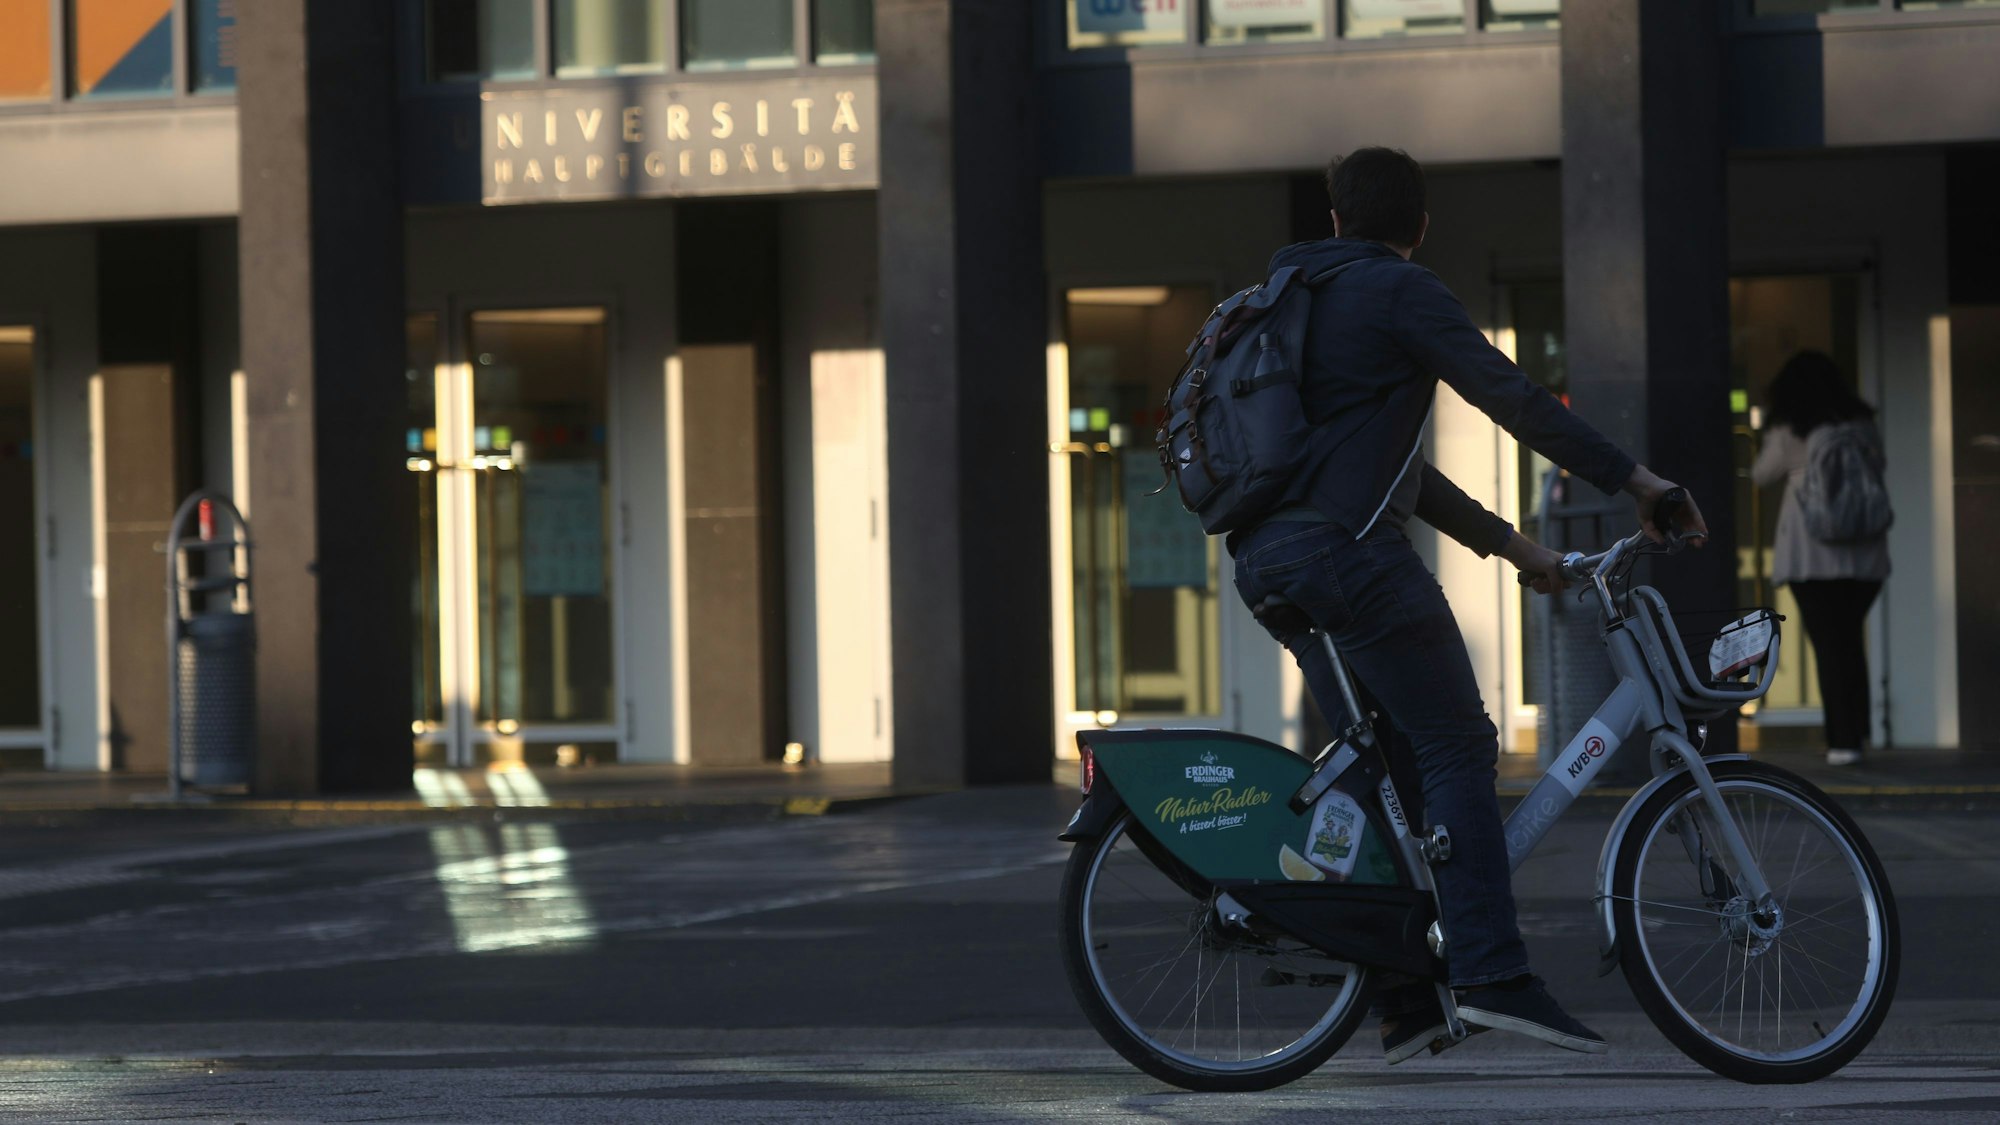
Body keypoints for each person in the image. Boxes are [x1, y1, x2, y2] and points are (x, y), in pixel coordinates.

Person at [1228, 147, 1710, 1064]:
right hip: (1348, 556)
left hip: (1267, 558)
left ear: (1335, 221)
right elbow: (1514, 398)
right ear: (1420, 225)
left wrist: (1523, 551)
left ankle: (1407, 992)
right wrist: (1637, 480)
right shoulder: (1399, 291)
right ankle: (1491, 972)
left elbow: (1403, 470)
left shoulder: (1303, 297)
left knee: (1400, 763)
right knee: (1456, 741)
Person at [1752, 351, 1891, 767]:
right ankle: (1858, 733)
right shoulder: (1863, 425)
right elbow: (1880, 468)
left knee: (1830, 646)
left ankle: (1843, 742)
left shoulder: (1789, 428)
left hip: (1812, 555)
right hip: (1865, 555)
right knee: (1849, 642)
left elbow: (1760, 475)